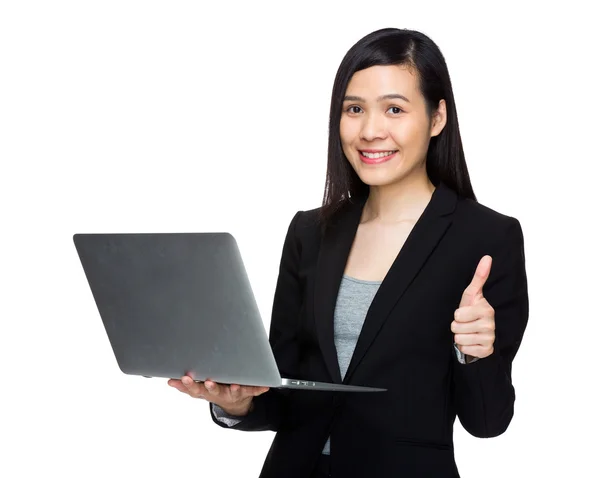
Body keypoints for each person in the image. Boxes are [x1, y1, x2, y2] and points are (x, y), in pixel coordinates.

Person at [168, 27, 529, 478]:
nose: (370, 131)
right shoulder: (311, 232)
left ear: (438, 118)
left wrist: (476, 353)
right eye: (354, 109)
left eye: (394, 109)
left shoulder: (487, 239)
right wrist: (236, 403)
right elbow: (282, 395)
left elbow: (488, 422)